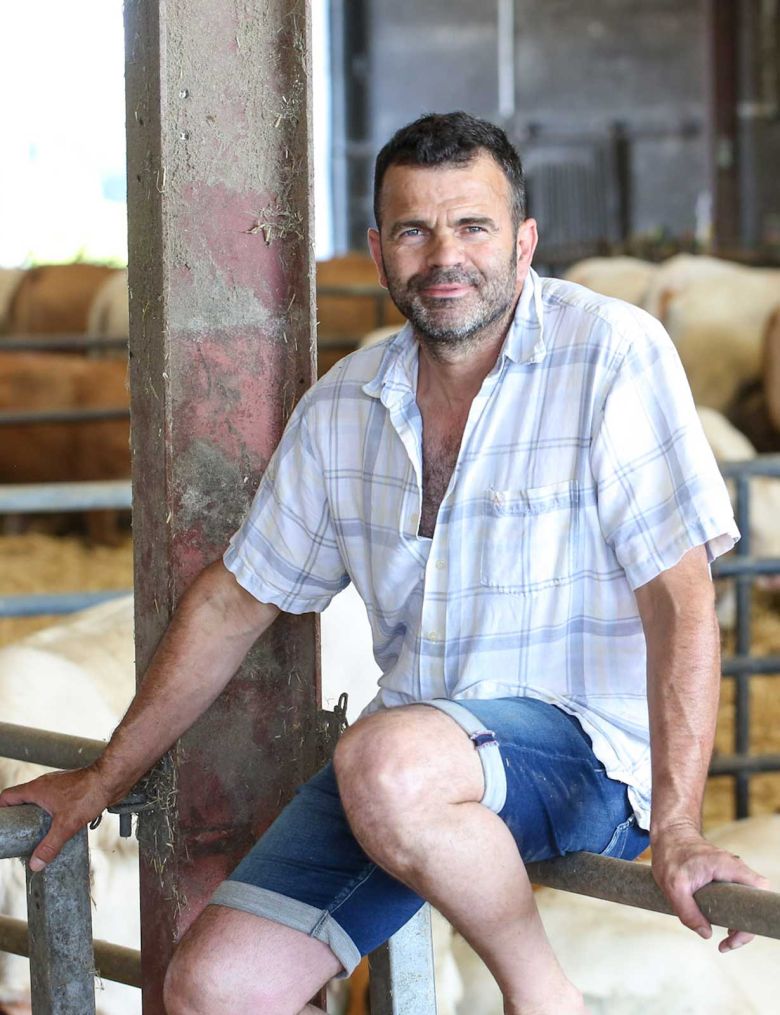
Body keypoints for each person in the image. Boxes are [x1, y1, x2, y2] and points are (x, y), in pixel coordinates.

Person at [0, 112, 769, 1015]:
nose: (445, 254)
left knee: (389, 760)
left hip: (580, 751)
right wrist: (101, 779)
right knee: (210, 988)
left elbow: (679, 600)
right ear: (378, 249)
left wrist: (679, 824)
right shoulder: (345, 406)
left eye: (473, 226)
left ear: (525, 240)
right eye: (414, 229)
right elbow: (232, 603)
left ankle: (544, 999)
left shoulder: (611, 354)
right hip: (407, 770)